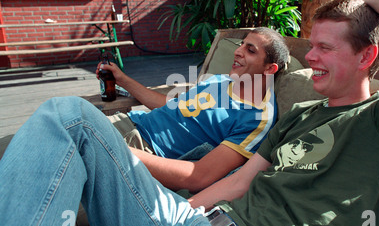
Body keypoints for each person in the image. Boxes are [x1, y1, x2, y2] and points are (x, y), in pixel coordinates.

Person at [0, 0, 379, 226]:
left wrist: (363, 7)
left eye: (325, 47)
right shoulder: (299, 113)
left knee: (72, 121)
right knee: (66, 114)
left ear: (368, 56)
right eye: (311, 45)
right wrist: (173, 216)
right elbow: (239, 182)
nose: (312, 56)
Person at [0, 27, 289, 193]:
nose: (238, 51)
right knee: (29, 138)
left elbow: (200, 176)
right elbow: (169, 105)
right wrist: (124, 79)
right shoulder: (219, 80)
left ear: (270, 68)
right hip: (128, 123)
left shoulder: (256, 119)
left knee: (59, 115)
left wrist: (116, 150)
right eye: (241, 44)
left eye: (251, 50)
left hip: (142, 153)